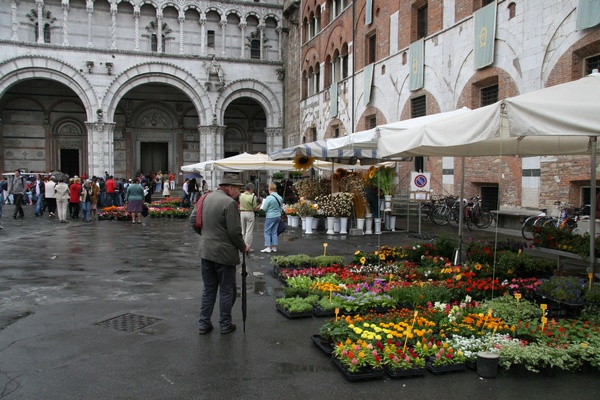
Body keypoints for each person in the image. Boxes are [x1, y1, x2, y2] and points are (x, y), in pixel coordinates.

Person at [191, 174, 249, 335]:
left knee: (209, 289)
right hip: (224, 253)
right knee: (226, 290)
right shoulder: (229, 202)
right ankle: (225, 324)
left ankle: (204, 323)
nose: (239, 192)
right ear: (230, 188)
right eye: (238, 189)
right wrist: (243, 247)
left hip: (206, 251)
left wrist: (207, 237)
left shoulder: (205, 197)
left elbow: (192, 220)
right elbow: (234, 232)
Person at [260, 183, 284, 253]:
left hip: (270, 216)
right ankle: (274, 247)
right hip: (278, 216)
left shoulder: (269, 198)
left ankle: (268, 247)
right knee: (274, 232)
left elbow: (264, 208)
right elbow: (281, 208)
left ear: (270, 189)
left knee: (267, 232)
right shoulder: (280, 197)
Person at [239, 183, 260, 251]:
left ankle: (241, 245)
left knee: (243, 230)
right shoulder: (252, 197)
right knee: (249, 231)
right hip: (249, 213)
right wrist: (260, 204)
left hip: (242, 213)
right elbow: (255, 208)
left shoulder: (241, 195)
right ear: (251, 189)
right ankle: (247, 246)